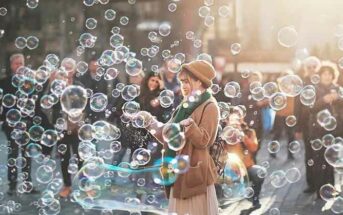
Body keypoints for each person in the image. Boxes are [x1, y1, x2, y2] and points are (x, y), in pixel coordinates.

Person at [139, 60, 220, 215]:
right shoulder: (185, 104)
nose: (183, 85)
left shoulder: (210, 106)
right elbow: (168, 134)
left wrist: (190, 126)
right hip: (177, 171)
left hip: (194, 176)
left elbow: (205, 140)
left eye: (187, 81)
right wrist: (149, 121)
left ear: (199, 81)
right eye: (181, 81)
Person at [222, 111, 265, 215]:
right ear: (227, 122)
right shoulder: (222, 135)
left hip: (247, 167)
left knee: (260, 172)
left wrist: (243, 136)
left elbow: (254, 148)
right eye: (232, 120)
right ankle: (223, 203)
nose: (235, 123)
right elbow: (220, 154)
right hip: (229, 169)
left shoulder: (249, 132)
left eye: (237, 120)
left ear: (241, 120)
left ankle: (254, 200)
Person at [307, 63, 339, 198]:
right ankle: (320, 191)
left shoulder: (337, 89)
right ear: (320, 76)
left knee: (332, 160)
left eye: (329, 74)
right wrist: (323, 100)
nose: (327, 76)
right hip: (318, 130)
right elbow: (310, 108)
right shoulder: (314, 89)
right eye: (324, 73)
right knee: (319, 160)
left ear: (333, 76)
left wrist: (339, 98)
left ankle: (330, 189)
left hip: (335, 131)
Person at [294, 56, 321, 193]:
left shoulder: (323, 82)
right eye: (309, 67)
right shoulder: (302, 84)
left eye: (314, 67)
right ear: (305, 69)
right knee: (309, 155)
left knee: (322, 154)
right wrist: (297, 128)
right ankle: (311, 184)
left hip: (322, 124)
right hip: (306, 125)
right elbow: (297, 108)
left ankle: (322, 182)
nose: (311, 69)